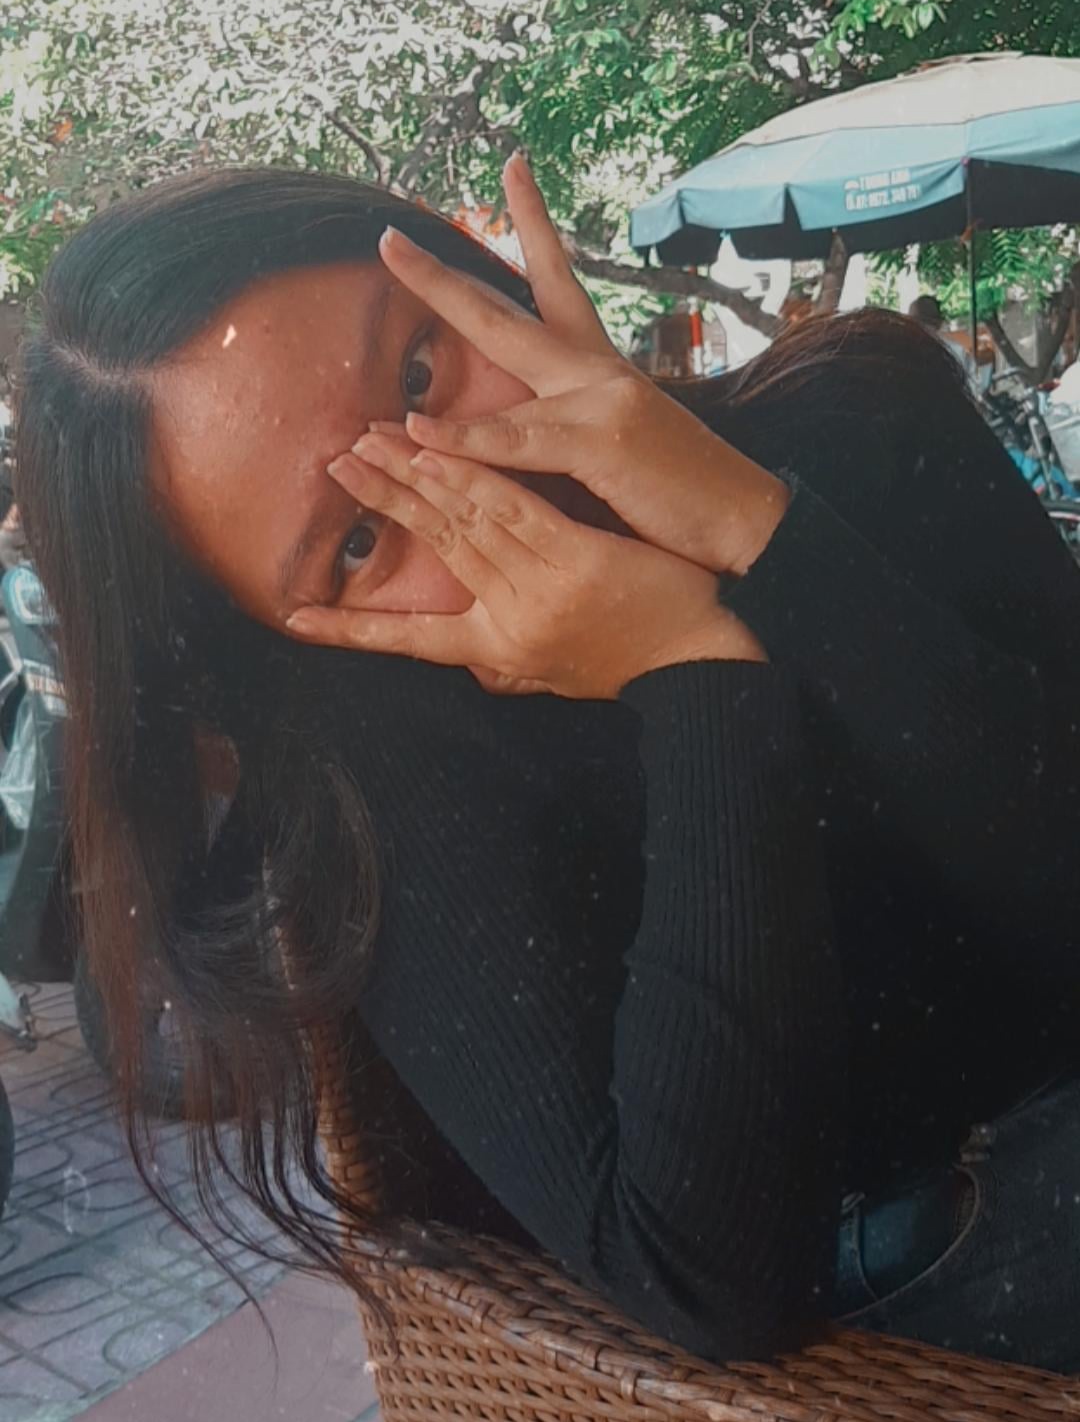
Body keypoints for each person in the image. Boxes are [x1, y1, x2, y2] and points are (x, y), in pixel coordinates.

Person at [15, 161, 1080, 1372]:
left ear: (472, 270)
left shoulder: (871, 410)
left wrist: (753, 532)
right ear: (284, 643)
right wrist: (695, 677)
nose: (482, 485)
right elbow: (711, 1277)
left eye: (421, 372)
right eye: (359, 541)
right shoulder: (396, 770)